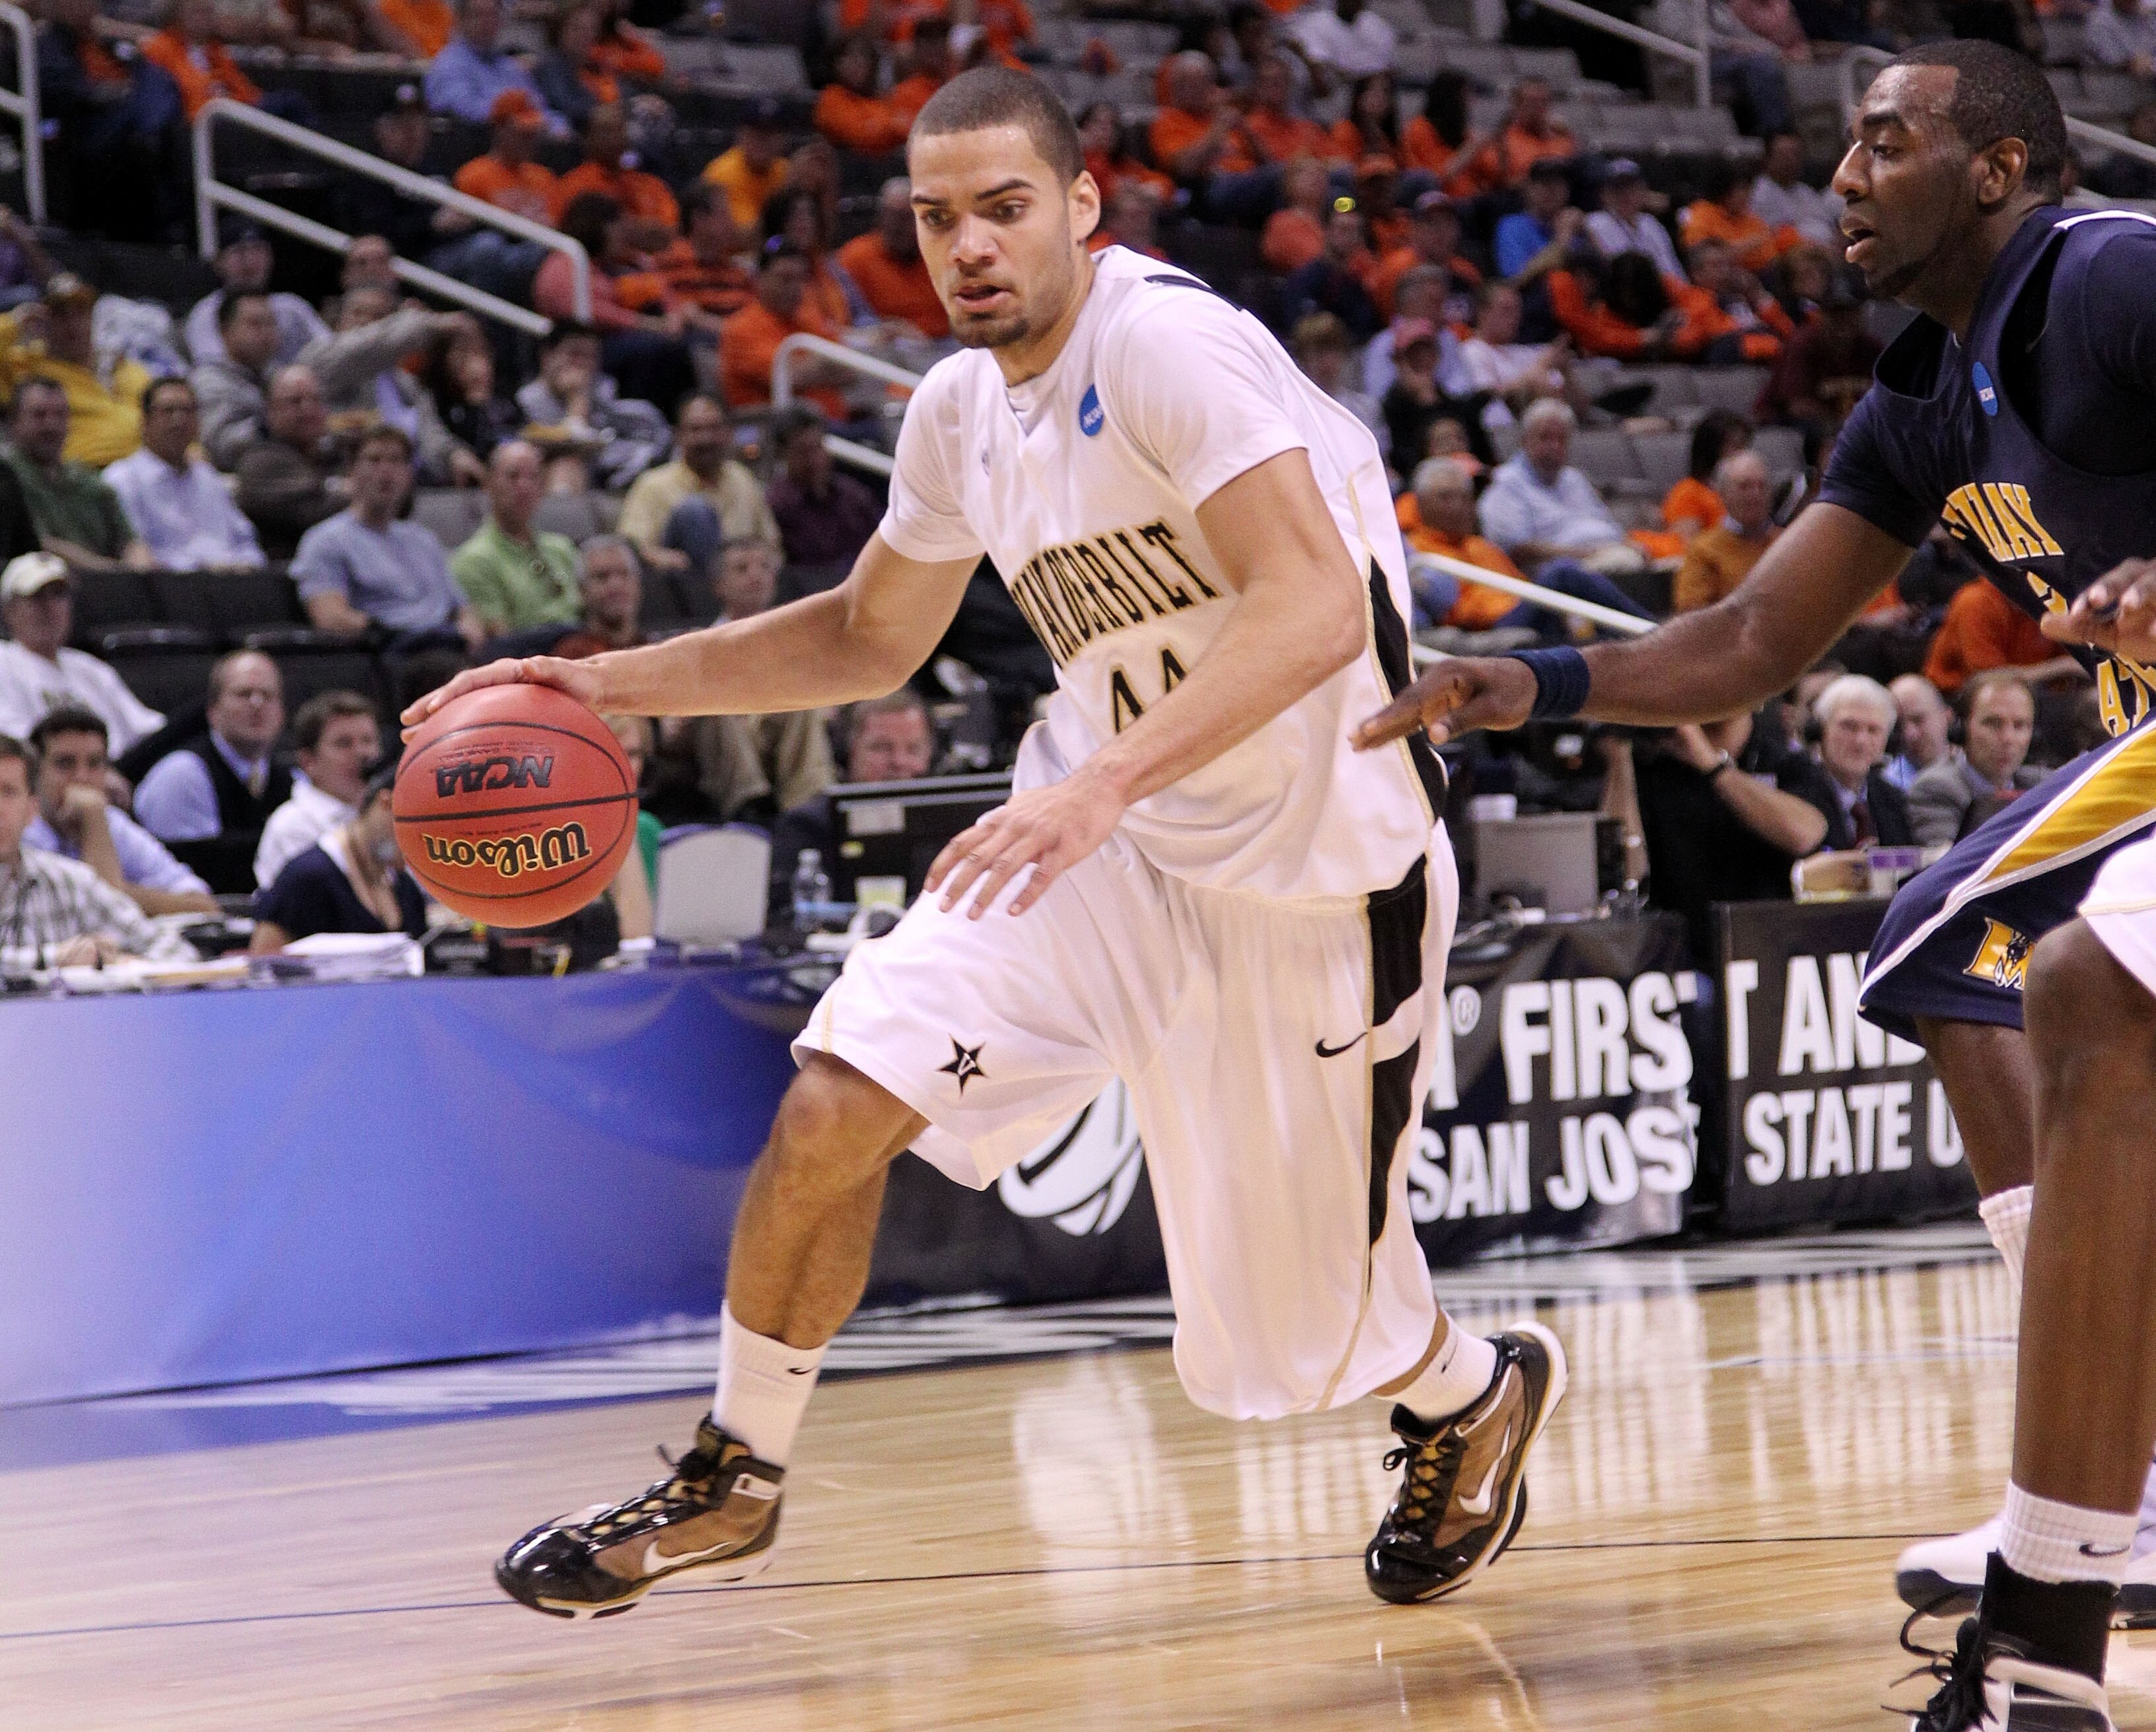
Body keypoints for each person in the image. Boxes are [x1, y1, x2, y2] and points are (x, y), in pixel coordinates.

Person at [419, 66, 1563, 1626]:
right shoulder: (958, 409)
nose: (967, 246)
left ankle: (1465, 1388)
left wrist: (1099, 784)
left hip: (1313, 875)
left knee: (1300, 1344)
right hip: (1098, 841)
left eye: (1004, 209)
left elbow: (1305, 605)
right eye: (935, 217)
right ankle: (734, 1469)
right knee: (834, 1095)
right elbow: (867, 632)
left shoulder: (1168, 346)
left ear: (1084, 209)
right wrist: (600, 686)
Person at [1353, 45, 2156, 1721]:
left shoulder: (2108, 276)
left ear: (2000, 167)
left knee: (1982, 947)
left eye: (1885, 143)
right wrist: (1537, 688)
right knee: (1959, 957)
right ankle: (2102, 1502)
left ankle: (2084, 1545)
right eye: (1840, 149)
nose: (1843, 179)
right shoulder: (1925, 393)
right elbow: (1747, 640)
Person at [647, 539, 838, 824]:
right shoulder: (696, 645)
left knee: (803, 704)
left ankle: (808, 809)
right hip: (716, 737)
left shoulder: (797, 642)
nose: (756, 575)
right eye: (742, 568)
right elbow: (673, 721)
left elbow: (832, 706)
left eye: (764, 567)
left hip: (777, 732)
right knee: (716, 704)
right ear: (719, 585)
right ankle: (749, 807)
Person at [1616, 707, 1829, 952]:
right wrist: (1619, 759)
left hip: (1767, 943)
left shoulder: (1784, 761)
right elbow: (1626, 866)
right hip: (1679, 948)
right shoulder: (1655, 762)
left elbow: (1806, 834)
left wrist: (1712, 765)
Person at [1401, 456, 1648, 638]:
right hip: (1489, 624)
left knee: (1584, 623)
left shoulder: (1482, 546)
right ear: (1421, 503)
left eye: (1465, 497)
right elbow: (1448, 609)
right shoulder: (1416, 551)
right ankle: (1651, 630)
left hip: (1521, 608)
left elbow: (1521, 585)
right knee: (1562, 573)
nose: (1459, 506)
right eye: (1446, 497)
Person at [0, 734, 190, 970]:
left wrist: (125, 966)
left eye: (7, 792)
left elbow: (175, 950)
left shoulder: (71, 881)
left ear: (31, 809)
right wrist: (53, 959)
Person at [293, 425, 483, 651]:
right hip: (390, 651)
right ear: (352, 473)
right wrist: (390, 632)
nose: (386, 472)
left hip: (447, 644)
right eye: (374, 461)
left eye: (396, 461)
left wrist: (470, 629)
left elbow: (463, 609)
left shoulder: (424, 540)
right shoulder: (325, 540)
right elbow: (330, 617)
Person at [24, 705, 217, 915]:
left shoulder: (113, 823)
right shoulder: (20, 829)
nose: (82, 778)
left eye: (95, 764)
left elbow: (202, 903)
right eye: (65, 764)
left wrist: (119, 889)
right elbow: (99, 912)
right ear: (35, 773)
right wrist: (93, 816)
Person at [251, 762, 427, 950]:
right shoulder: (306, 878)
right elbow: (262, 962)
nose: (423, 846)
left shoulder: (405, 887)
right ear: (386, 804)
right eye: (420, 831)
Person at [101, 378, 265, 571]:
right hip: (167, 590)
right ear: (144, 421)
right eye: (168, 411)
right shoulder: (123, 479)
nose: (179, 420)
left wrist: (246, 565)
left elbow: (245, 541)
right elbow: (135, 553)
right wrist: (203, 569)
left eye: (187, 411)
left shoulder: (209, 477)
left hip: (232, 585)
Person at [0, 554, 160, 749]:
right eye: (37, 597)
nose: (50, 607)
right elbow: (14, 742)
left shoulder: (90, 668)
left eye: (58, 594)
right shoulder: (5, 662)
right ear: (9, 610)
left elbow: (149, 727)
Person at [134, 649, 290, 847]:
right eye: (244, 694)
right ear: (213, 711)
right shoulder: (181, 775)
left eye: (268, 696)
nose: (257, 704)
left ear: (282, 713)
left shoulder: (292, 781)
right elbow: (192, 866)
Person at [616, 392, 779, 581]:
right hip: (682, 588)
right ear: (678, 435)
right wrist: (662, 558)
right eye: (696, 430)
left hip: (743, 585)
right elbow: (632, 546)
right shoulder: (653, 484)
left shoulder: (742, 479)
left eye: (714, 428)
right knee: (696, 512)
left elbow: (770, 543)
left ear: (728, 433)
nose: (706, 439)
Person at [1476, 400, 1640, 577]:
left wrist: (1629, 544)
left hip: (1607, 556)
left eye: (1561, 439)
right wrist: (1588, 553)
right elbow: (1518, 549)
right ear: (1524, 441)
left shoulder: (1574, 479)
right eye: (1545, 438)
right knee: (1626, 561)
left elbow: (1606, 524)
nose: (1554, 447)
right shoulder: (1507, 482)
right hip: (1559, 573)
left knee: (1663, 557)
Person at [0, 274, 149, 469]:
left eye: (81, 311)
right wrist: (15, 321)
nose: (72, 323)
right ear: (44, 318)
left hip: (145, 477)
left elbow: (162, 414)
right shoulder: (25, 366)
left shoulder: (125, 368)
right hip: (81, 476)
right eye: (61, 313)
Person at [4, 379, 149, 571]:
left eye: (60, 415)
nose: (51, 425)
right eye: (39, 415)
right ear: (14, 422)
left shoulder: (87, 479)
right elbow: (37, 544)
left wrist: (144, 572)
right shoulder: (6, 477)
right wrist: (107, 571)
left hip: (107, 588)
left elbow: (129, 542)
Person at [513, 320, 670, 495]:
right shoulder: (523, 402)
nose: (581, 364)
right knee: (566, 466)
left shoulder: (606, 394)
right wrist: (578, 398)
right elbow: (571, 443)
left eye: (589, 356)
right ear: (547, 356)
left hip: (607, 482)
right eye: (574, 354)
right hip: (546, 485)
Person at [450, 440, 581, 639]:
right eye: (513, 476)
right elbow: (503, 641)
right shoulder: (474, 559)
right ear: (489, 484)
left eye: (533, 477)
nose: (524, 486)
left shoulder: (562, 548)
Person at [254, 689, 379, 888]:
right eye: (344, 743)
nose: (362, 753)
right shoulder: (292, 825)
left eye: (368, 741)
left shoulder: (389, 815)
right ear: (309, 762)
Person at [1908, 668, 2043, 846]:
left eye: (2019, 725)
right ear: (1963, 728)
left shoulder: (2044, 784)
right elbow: (1950, 863)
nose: (2008, 738)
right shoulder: (1935, 789)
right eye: (1993, 723)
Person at [1788, 672, 1916, 847]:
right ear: (1819, 730)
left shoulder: (1894, 801)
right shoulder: (1795, 795)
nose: (1861, 741)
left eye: (1873, 730)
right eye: (1849, 726)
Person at [232, 364, 341, 561]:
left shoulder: (338, 455)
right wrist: (358, 494)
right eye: (295, 402)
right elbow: (313, 512)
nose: (307, 410)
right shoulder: (260, 462)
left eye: (315, 400)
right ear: (270, 412)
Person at [184, 224, 326, 369]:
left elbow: (327, 350)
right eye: (239, 252)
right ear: (219, 262)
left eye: (258, 250)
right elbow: (211, 367)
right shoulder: (206, 312)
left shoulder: (291, 306)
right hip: (235, 387)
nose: (250, 261)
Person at [1924, 569, 2088, 694]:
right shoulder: (1977, 601)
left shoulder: (2048, 602)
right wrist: (2062, 668)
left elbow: (2074, 661)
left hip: (2031, 694)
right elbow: (1989, 678)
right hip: (1958, 697)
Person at [766, 404, 882, 571]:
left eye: (818, 448)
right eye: (803, 452)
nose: (814, 461)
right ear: (782, 454)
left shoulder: (854, 494)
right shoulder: (778, 506)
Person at [836, 177, 949, 340]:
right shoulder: (856, 257)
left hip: (944, 346)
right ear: (880, 218)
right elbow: (847, 320)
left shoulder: (942, 254)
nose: (898, 227)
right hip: (882, 351)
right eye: (892, 217)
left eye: (905, 218)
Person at [425, 0, 563, 131]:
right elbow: (460, 110)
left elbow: (539, 106)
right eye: (478, 15)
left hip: (526, 140)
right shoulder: (449, 64)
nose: (487, 22)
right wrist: (509, 110)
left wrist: (559, 128)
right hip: (480, 141)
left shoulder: (509, 66)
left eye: (493, 15)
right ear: (461, 20)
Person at [1672, 449, 1779, 612]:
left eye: (1762, 486)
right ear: (1722, 493)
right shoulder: (1703, 550)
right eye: (1745, 487)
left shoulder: (1789, 540)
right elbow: (1691, 613)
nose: (1755, 495)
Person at [555, 101, 679, 239]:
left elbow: (671, 228)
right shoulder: (573, 186)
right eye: (606, 131)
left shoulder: (650, 184)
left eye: (619, 130)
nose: (614, 138)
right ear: (588, 139)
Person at [193, 291, 285, 468]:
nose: (266, 333)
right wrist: (266, 428)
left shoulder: (279, 375)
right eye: (255, 324)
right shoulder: (209, 382)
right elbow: (217, 447)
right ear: (225, 331)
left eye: (271, 323)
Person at [452, 90, 560, 225]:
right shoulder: (473, 176)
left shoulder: (544, 177)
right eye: (523, 133)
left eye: (533, 134)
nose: (530, 141)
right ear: (500, 129)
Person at [656, 182, 755, 318]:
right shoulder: (669, 263)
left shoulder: (737, 272)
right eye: (723, 215)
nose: (732, 223)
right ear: (699, 219)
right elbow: (687, 318)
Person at [1583, 158, 1685, 280]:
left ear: (1643, 191)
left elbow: (1673, 271)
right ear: (1604, 194)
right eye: (1618, 189)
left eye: (1632, 188)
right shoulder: (1595, 223)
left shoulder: (1650, 223)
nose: (1626, 194)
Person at [702, 97, 791, 233]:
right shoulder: (721, 174)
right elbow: (739, 235)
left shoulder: (787, 172)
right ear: (740, 135)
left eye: (770, 133)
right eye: (755, 133)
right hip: (732, 253)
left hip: (777, 250)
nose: (762, 141)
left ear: (784, 140)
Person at [815, 34, 910, 158]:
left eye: (862, 57)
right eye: (849, 56)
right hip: (850, 168)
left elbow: (909, 129)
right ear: (836, 64)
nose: (857, 63)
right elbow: (860, 135)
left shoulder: (883, 98)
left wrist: (885, 126)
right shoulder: (830, 98)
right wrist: (893, 125)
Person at [549, 535, 643, 658]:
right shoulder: (571, 657)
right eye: (602, 577)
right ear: (582, 591)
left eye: (624, 574)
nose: (616, 585)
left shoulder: (657, 650)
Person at [1492, 160, 1583, 286]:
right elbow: (1516, 279)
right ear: (1529, 189)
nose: (1551, 190)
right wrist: (1563, 239)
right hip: (1535, 299)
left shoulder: (1578, 223)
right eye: (1544, 183)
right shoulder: (1512, 226)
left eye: (1558, 183)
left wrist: (1590, 232)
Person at [1750, 129, 1843, 248]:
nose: (1791, 161)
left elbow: (1828, 225)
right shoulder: (1758, 194)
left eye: (1796, 155)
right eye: (1784, 156)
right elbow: (1769, 237)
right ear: (1767, 158)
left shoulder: (1806, 191)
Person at [1885, 669, 1955, 789]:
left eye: (1918, 720)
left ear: (1947, 717)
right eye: (1899, 725)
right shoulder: (1887, 785)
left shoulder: (1977, 772)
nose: (1909, 734)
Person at [2084, 0, 2156, 79]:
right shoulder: (2099, 22)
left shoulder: (2147, 19)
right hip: (2114, 82)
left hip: (2148, 81)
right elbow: (2114, 62)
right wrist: (2133, 63)